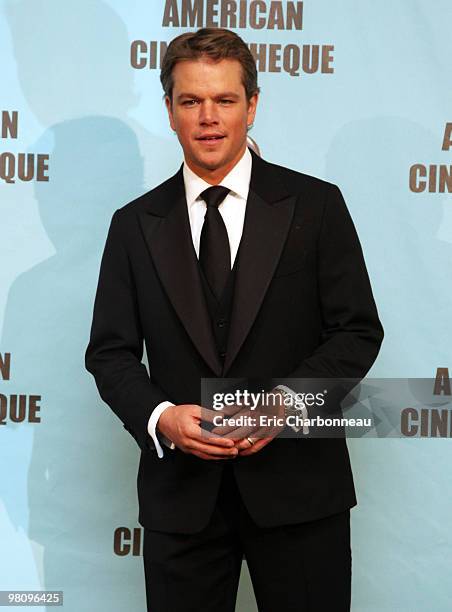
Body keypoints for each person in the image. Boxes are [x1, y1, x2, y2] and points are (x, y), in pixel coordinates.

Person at [85, 27, 383, 612]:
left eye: (224, 100)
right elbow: (110, 353)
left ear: (252, 105)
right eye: (191, 101)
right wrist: (161, 417)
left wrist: (284, 404)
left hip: (300, 494)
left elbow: (356, 332)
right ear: (169, 111)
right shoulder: (133, 225)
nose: (208, 118)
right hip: (181, 503)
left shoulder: (317, 205)